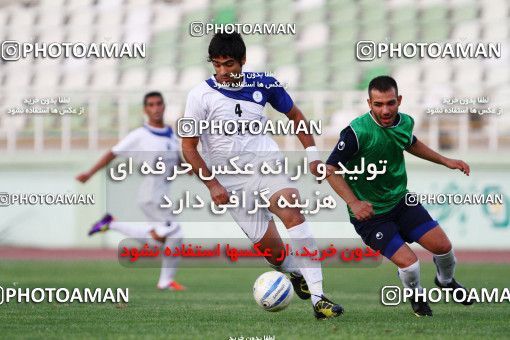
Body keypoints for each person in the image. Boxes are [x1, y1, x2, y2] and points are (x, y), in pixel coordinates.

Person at [181, 32, 343, 319]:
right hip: (229, 181)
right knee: (274, 255)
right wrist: (212, 184)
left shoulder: (265, 84)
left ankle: (319, 299)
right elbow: (189, 147)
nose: (222, 72)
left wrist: (312, 157)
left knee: (292, 209)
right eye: (216, 65)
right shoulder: (199, 96)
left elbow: (295, 115)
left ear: (243, 61)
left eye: (228, 64)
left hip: (266, 166)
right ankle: (294, 273)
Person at [325, 75, 473, 316]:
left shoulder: (405, 122)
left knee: (444, 247)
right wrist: (353, 202)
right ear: (369, 103)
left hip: (401, 201)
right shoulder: (356, 132)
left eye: (391, 103)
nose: (385, 110)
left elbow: (410, 142)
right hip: (371, 215)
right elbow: (328, 170)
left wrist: (446, 160)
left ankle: (445, 282)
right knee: (411, 264)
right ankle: (416, 298)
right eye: (379, 104)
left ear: (399, 100)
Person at [76, 91, 186, 291]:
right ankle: (166, 281)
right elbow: (113, 153)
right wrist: (90, 173)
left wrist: (197, 171)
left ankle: (111, 224)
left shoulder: (171, 135)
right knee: (175, 234)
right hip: (152, 195)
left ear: (164, 106)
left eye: (159, 104)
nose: (156, 108)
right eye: (151, 105)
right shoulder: (140, 135)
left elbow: (178, 163)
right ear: (145, 109)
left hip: (161, 194)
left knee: (160, 239)